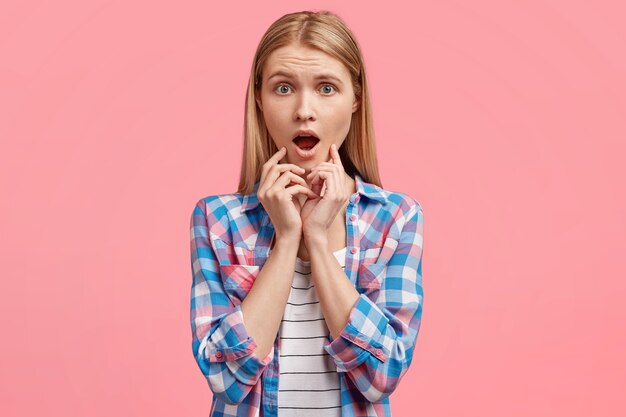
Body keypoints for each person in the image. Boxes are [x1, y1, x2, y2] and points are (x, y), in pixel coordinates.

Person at [189, 10, 424, 417]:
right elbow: (225, 381)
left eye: (327, 88)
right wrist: (286, 241)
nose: (304, 110)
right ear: (259, 100)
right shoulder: (217, 219)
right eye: (283, 88)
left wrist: (316, 239)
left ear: (356, 99)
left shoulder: (395, 218)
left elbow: (380, 378)